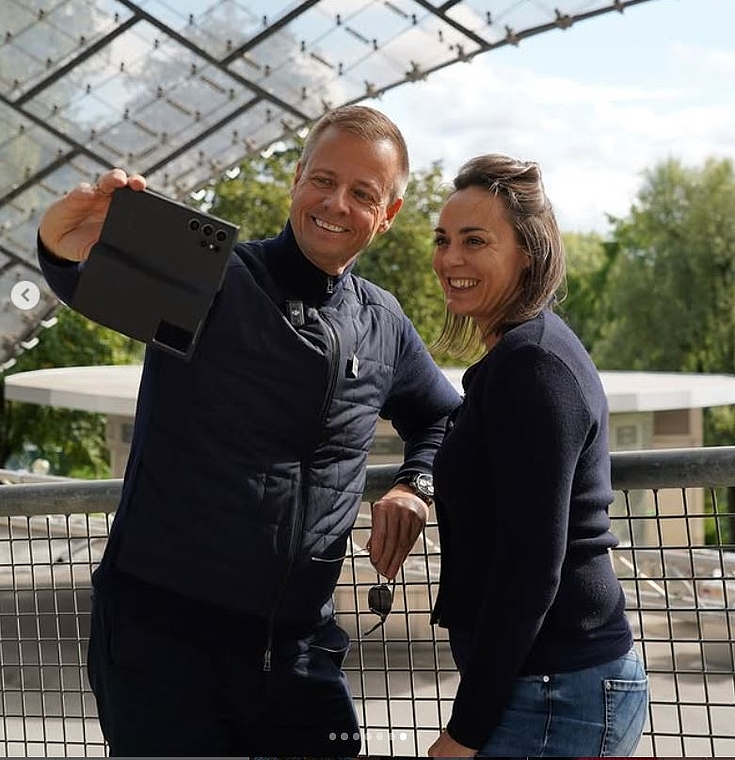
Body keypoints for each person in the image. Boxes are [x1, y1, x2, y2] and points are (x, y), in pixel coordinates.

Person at [37, 105, 461, 757]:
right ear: (295, 178)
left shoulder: (383, 320)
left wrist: (414, 484)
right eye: (322, 179)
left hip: (297, 652)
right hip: (162, 648)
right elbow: (85, 276)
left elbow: (441, 413)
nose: (335, 202)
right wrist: (60, 246)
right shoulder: (214, 275)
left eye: (361, 192)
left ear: (388, 214)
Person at [426, 154, 648, 758]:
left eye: (475, 241)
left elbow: (530, 568)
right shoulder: (520, 355)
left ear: (527, 251)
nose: (450, 259)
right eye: (443, 240)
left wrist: (465, 732)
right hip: (552, 685)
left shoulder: (534, 366)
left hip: (556, 692)